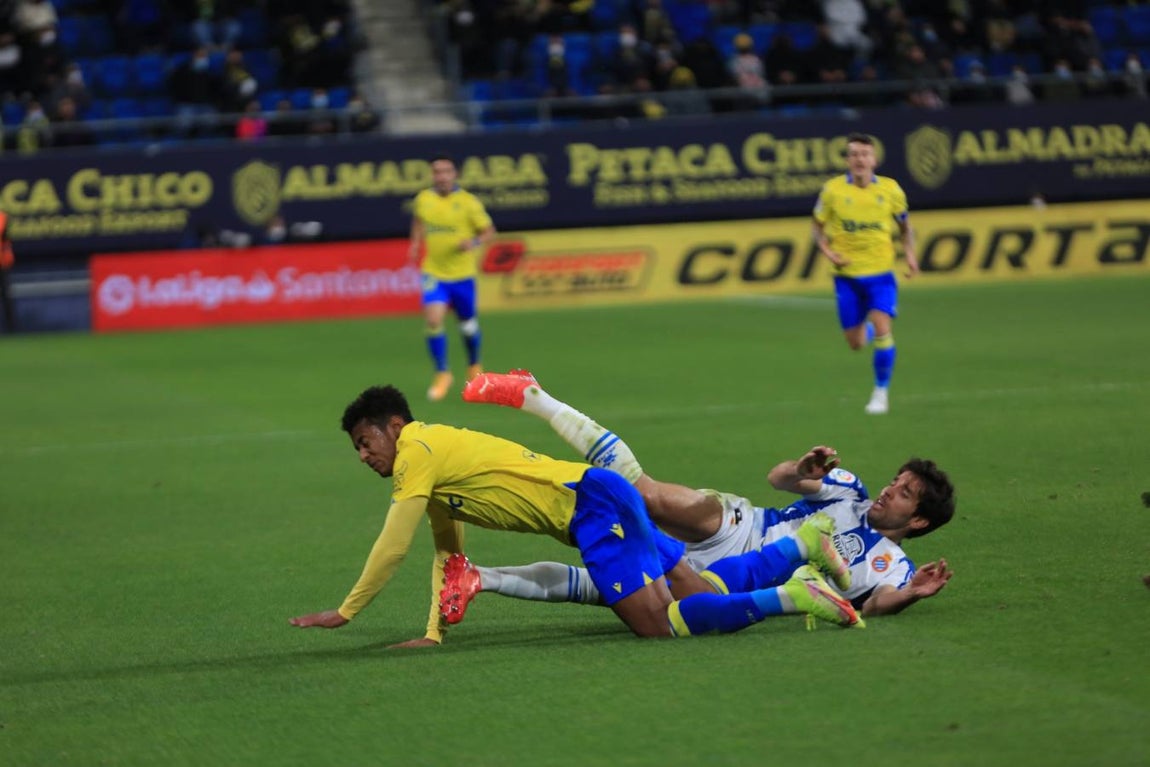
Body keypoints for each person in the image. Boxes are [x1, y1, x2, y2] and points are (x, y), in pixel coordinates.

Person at [288, 385, 863, 647]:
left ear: (393, 426)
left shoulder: (416, 451)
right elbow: (448, 548)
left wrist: (346, 612)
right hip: (602, 497)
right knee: (696, 588)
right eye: (357, 450)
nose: (366, 457)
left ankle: (796, 596)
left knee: (659, 625)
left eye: (367, 442)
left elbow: (393, 545)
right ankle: (801, 546)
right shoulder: (430, 461)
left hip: (594, 512)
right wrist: (433, 633)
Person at [459, 370, 955, 618]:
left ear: (919, 522)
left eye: (906, 493)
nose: (891, 490)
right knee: (645, 496)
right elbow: (780, 479)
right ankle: (535, 396)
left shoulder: (893, 566)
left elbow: (873, 605)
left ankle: (480, 577)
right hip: (739, 525)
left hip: (731, 583)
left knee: (608, 584)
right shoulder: (850, 492)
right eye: (897, 480)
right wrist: (800, 468)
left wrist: (911, 595)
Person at [812, 132, 920, 415]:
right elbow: (817, 228)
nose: (860, 159)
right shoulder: (832, 191)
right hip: (846, 276)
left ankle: (880, 393)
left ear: (874, 159)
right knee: (856, 343)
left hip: (881, 274)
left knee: (884, 327)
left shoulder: (891, 190)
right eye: (854, 154)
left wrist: (909, 254)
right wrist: (827, 252)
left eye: (865, 154)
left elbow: (906, 228)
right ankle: (869, 328)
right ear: (848, 160)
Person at [407, 155, 496, 402]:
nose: (442, 176)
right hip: (434, 272)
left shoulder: (468, 202)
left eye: (446, 171)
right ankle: (442, 373)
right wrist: (415, 243)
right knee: (434, 319)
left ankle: (474, 366)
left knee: (467, 326)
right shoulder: (423, 199)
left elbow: (489, 231)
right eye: (437, 172)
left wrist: (474, 242)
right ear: (432, 175)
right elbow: (417, 221)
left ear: (454, 174)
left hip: (462, 275)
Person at [0, 208, 15, 332]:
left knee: (6, 296)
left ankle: (11, 328)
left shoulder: (3, 217)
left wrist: (8, 258)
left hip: (2, 264)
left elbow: (6, 241)